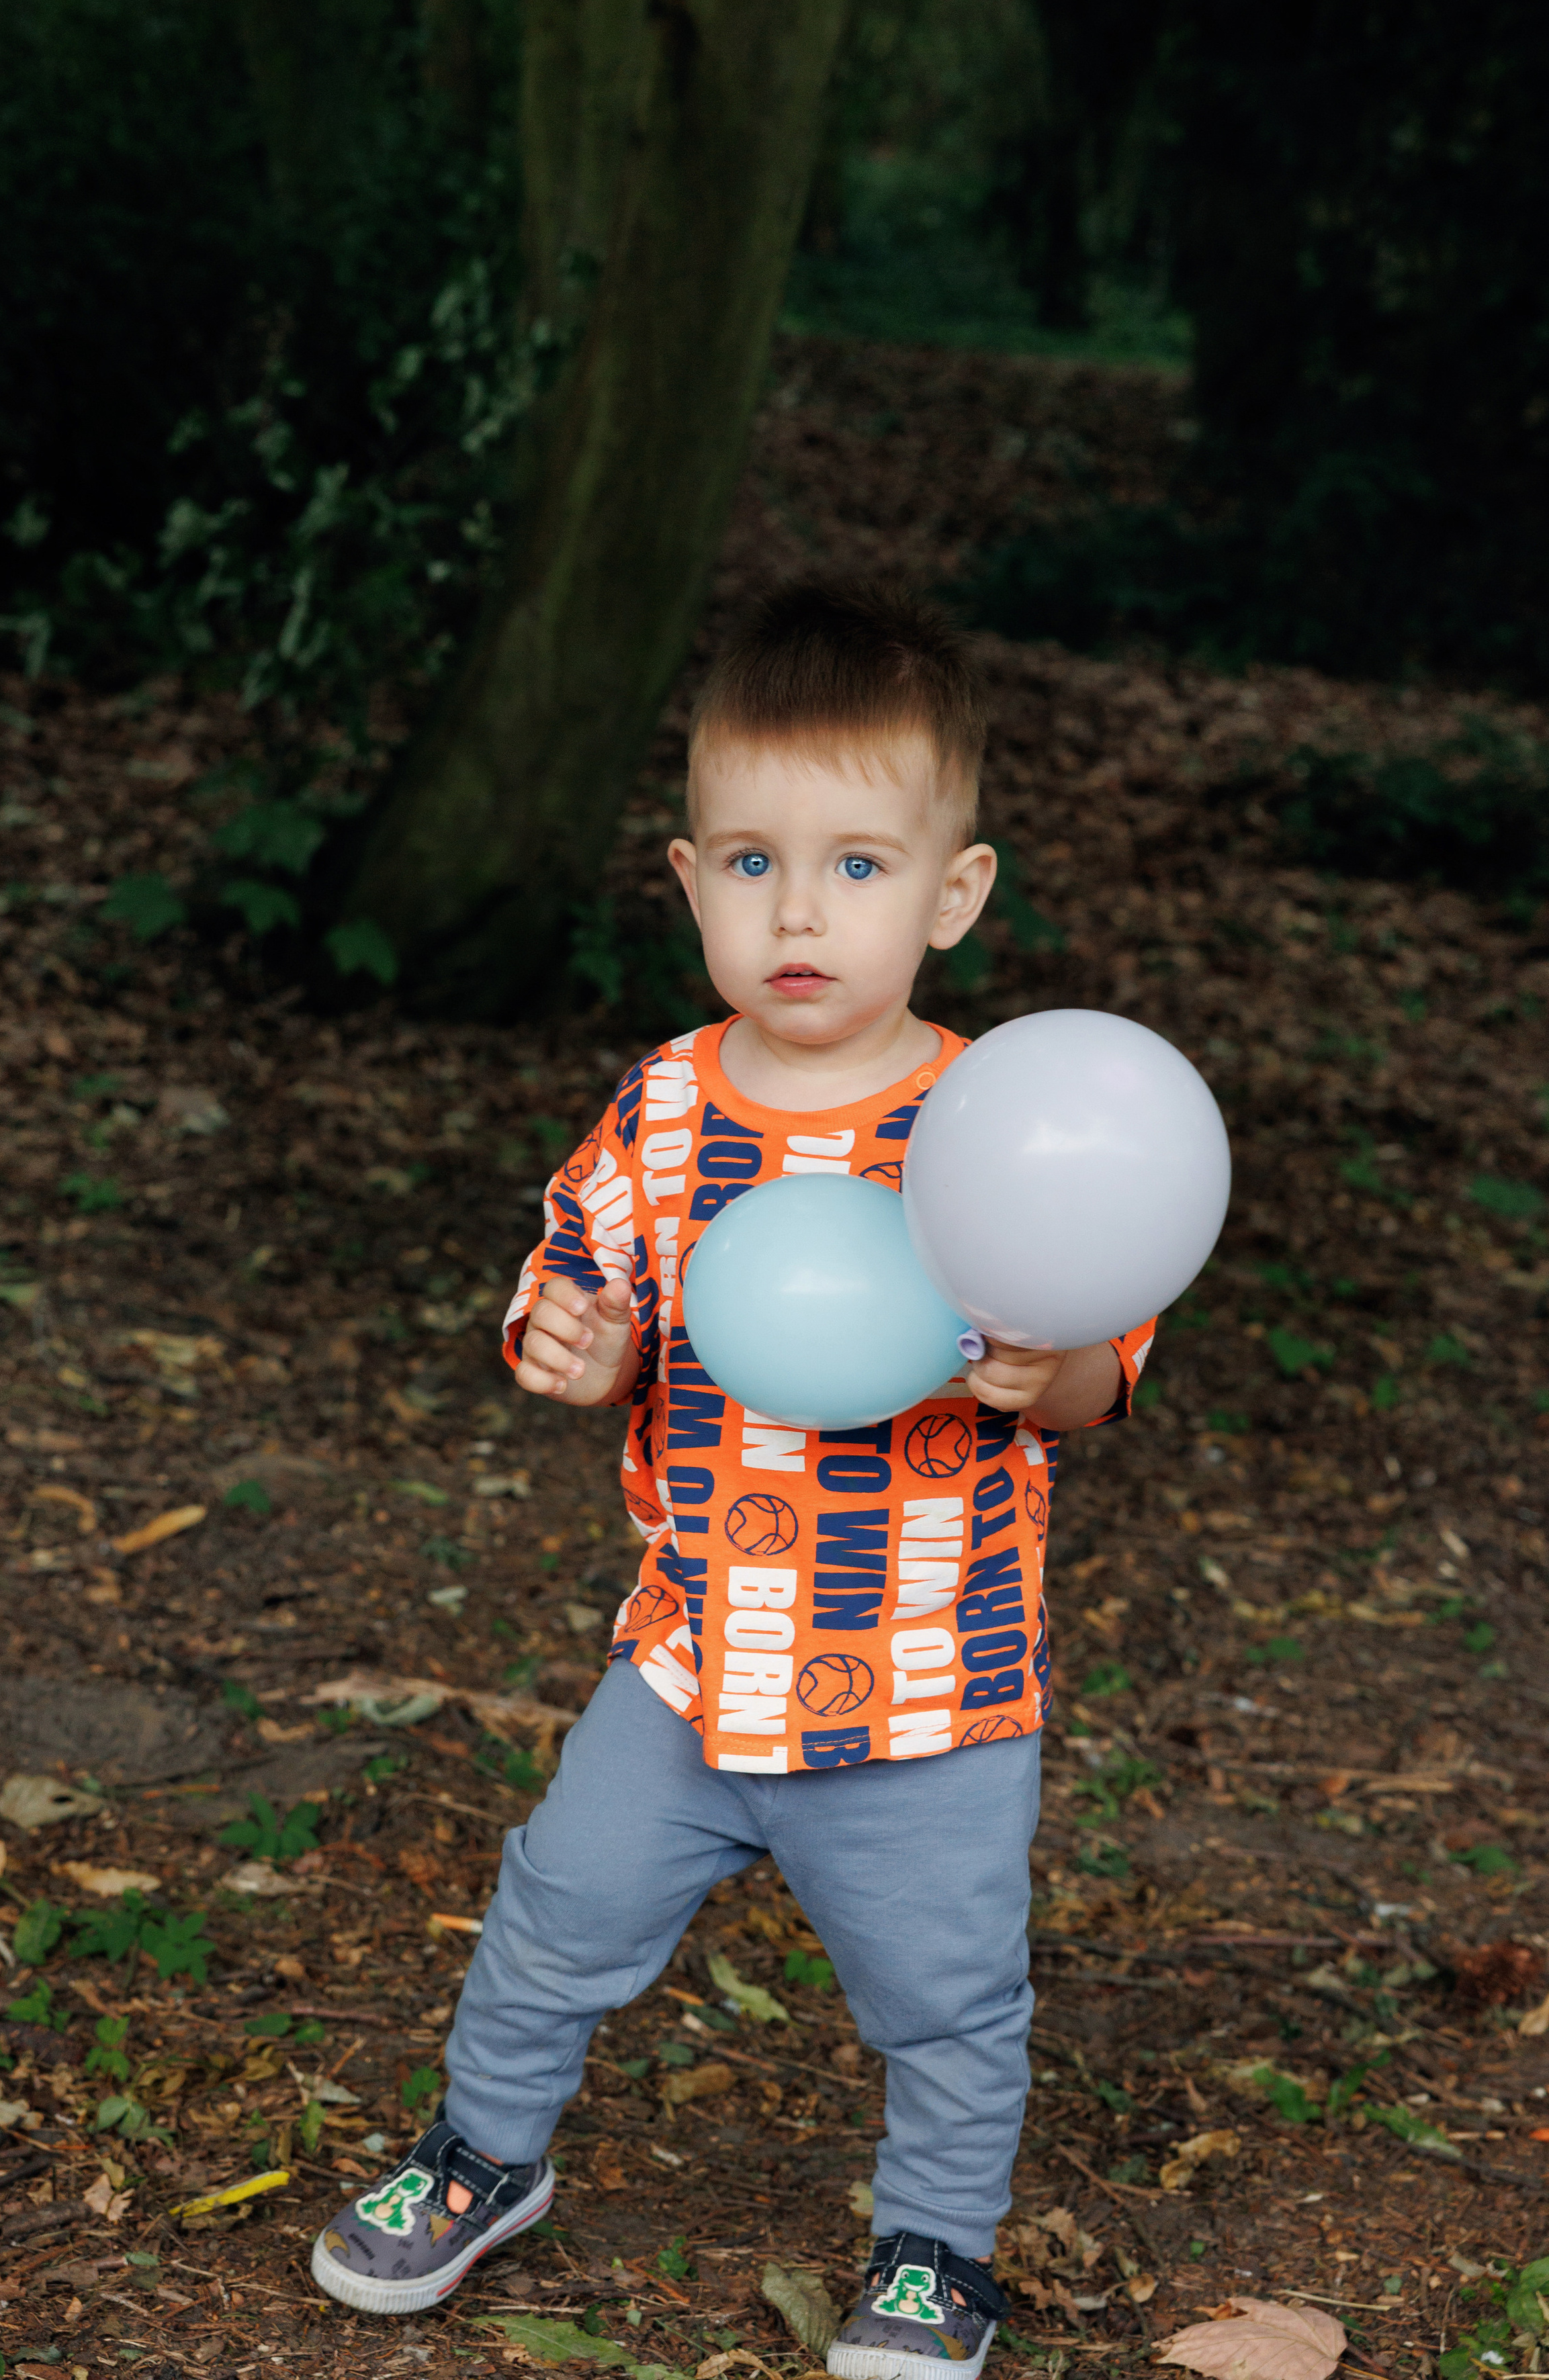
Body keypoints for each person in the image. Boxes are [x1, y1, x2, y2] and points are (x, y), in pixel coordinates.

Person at [311, 582, 1157, 2377]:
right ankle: (482, 2155)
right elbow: (580, 1272)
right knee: (556, 1910)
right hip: (691, 1660)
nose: (800, 908)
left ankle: (935, 2253)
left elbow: (1103, 1362)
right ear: (691, 883)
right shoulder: (668, 1103)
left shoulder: (989, 1128)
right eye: (756, 862)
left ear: (954, 893)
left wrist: (1046, 1367)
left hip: (926, 1685)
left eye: (859, 865)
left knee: (944, 1999)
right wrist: (580, 1346)